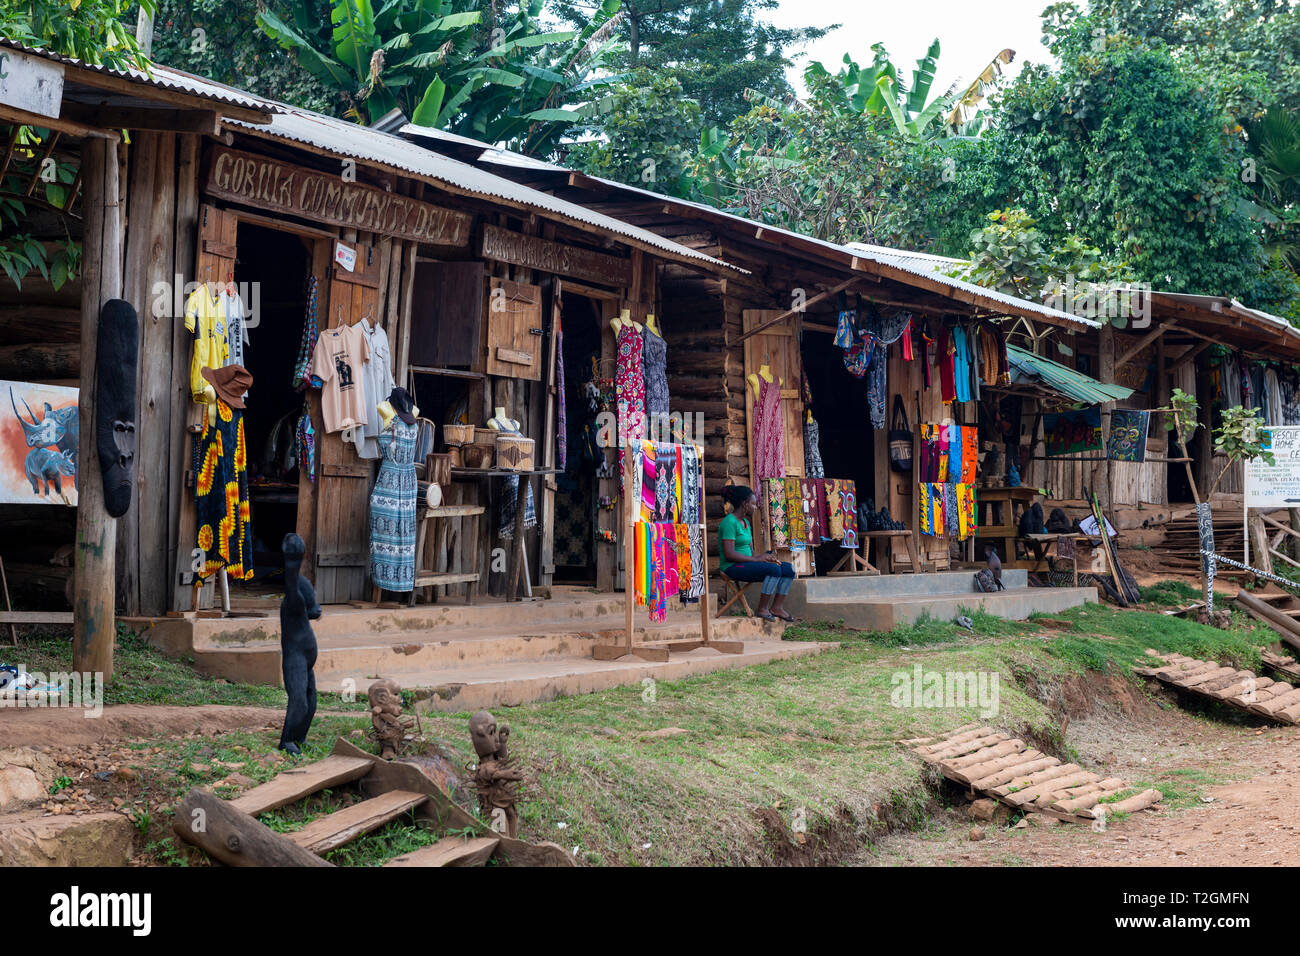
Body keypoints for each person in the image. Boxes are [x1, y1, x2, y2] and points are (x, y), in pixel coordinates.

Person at [717, 485, 796, 621]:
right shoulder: (729, 523)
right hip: (732, 567)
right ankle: (762, 609)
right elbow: (729, 554)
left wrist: (765, 557)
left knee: (789, 569)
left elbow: (751, 552)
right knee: (774, 570)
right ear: (744, 504)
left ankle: (776, 607)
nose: (755, 507)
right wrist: (757, 560)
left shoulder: (746, 523)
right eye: (753, 504)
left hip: (746, 564)